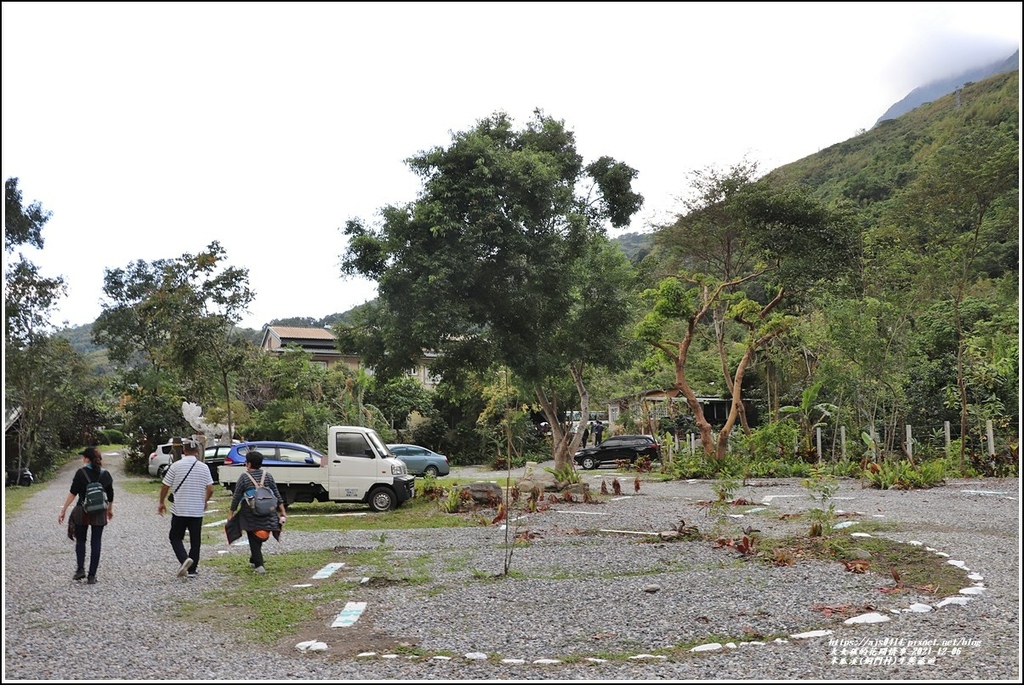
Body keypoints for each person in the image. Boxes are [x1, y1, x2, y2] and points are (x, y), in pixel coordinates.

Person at [158, 438, 214, 578]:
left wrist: (161, 502)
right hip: (197, 509)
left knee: (175, 537)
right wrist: (205, 500)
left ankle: (184, 559)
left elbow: (165, 485)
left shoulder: (176, 466)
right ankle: (192, 570)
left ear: (183, 450)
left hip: (180, 508)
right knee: (196, 540)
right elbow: (210, 488)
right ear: (197, 451)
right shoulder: (204, 467)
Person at [57, 447, 114, 585]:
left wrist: (63, 510)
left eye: (83, 457)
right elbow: (110, 495)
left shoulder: (80, 473)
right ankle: (92, 576)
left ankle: (80, 569)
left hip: (82, 510)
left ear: (87, 459)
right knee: (96, 542)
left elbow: (72, 493)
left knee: (81, 541)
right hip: (99, 511)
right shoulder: (105, 474)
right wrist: (109, 510)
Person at [226, 450, 285, 574]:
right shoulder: (267, 476)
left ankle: (259, 565)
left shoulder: (244, 477)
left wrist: (231, 512)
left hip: (250, 511)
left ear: (248, 464)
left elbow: (237, 496)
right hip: (268, 510)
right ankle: (254, 559)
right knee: (261, 532)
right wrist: (282, 511)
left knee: (253, 536)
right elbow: (276, 494)